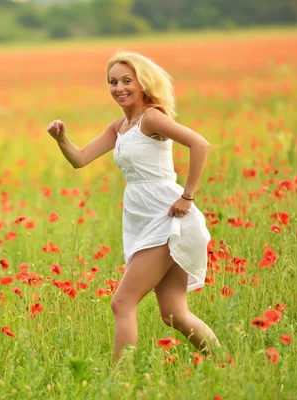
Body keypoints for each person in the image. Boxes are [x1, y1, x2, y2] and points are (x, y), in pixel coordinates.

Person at [46, 49, 220, 363]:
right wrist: (61, 139)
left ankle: (118, 383)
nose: (119, 88)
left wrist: (188, 196)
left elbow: (200, 144)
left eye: (127, 80)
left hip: (168, 216)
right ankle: (225, 365)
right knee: (174, 314)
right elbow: (80, 159)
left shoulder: (152, 116)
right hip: (142, 218)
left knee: (122, 302)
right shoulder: (119, 127)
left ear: (143, 83)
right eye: (113, 82)